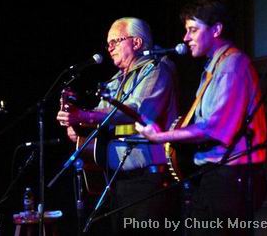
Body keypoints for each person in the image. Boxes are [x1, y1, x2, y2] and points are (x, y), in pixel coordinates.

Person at [136, 0, 267, 235]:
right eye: (186, 31)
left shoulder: (232, 65)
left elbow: (214, 128)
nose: (186, 38)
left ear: (216, 29)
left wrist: (162, 136)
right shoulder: (213, 66)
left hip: (230, 178)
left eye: (193, 30)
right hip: (214, 176)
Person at [57, 17, 180, 234]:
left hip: (148, 180)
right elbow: (98, 119)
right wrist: (75, 123)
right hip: (116, 180)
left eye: (115, 41)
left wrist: (84, 115)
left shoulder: (157, 70)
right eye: (108, 43)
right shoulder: (116, 80)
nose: (109, 48)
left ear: (137, 42)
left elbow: (139, 110)